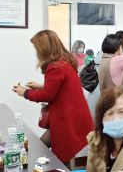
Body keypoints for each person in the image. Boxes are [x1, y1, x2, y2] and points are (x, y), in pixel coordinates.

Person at [12, 30, 93, 164]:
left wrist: (25, 92)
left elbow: (48, 95)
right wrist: (41, 86)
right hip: (74, 115)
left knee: (64, 157)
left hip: (67, 118)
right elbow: (61, 88)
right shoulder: (64, 62)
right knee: (45, 147)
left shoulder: (55, 67)